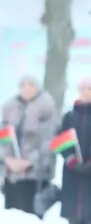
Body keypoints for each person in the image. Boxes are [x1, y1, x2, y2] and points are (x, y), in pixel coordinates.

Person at [1, 74, 58, 215]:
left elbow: (49, 141)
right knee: (12, 215)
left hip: (34, 174)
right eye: (22, 85)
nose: (26, 89)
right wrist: (7, 159)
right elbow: (3, 136)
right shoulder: (9, 107)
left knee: (30, 216)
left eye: (30, 85)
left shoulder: (46, 108)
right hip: (11, 173)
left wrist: (28, 161)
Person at [59, 78, 91, 224]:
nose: (86, 93)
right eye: (83, 89)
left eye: (90, 89)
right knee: (74, 219)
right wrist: (71, 160)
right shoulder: (70, 116)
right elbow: (61, 141)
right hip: (73, 174)